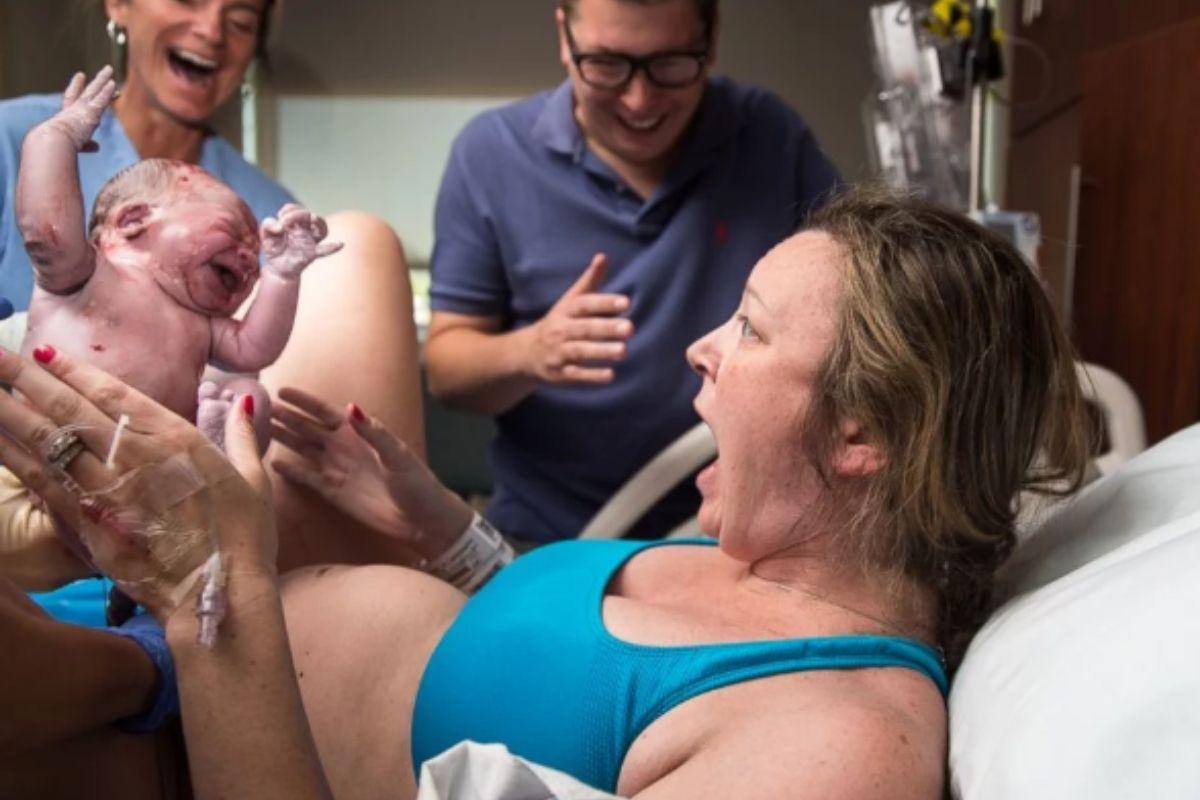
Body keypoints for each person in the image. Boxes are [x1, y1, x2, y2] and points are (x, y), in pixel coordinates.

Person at [0, 188, 1090, 799]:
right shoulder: (769, 560)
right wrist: (447, 533)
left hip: (168, 733)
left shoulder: (840, 744)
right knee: (359, 248)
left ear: (862, 434)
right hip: (195, 625)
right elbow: (579, 674)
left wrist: (219, 587)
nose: (703, 346)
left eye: (751, 329)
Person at [0, 0, 425, 623]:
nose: (212, 30)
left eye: (242, 19)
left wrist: (281, 273)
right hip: (27, 481)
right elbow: (46, 229)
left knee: (246, 399)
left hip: (169, 506)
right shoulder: (45, 181)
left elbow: (255, 348)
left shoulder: (256, 217)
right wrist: (58, 139)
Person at [425, 0, 841, 544]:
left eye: (670, 64)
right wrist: (531, 352)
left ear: (711, 39)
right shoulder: (490, 155)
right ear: (565, 39)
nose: (639, 100)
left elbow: (855, 300)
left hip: (746, 520)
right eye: (606, 64)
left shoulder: (769, 136)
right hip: (551, 532)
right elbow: (446, 370)